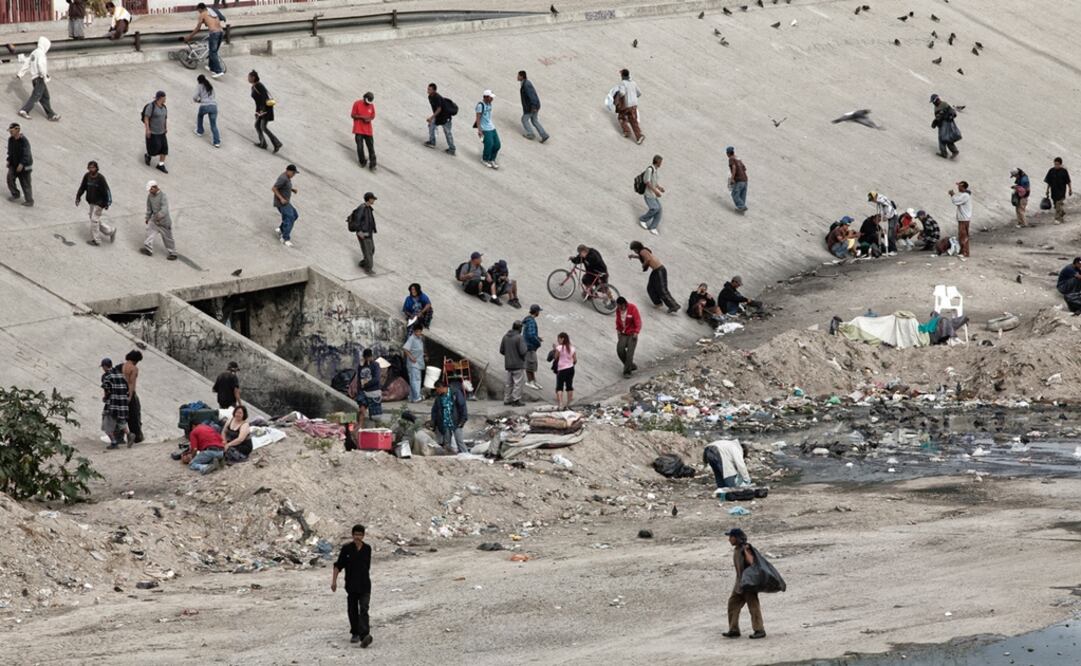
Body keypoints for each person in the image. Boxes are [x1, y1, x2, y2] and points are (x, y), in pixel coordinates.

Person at [331, 524, 374, 648]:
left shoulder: (367, 549)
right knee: (352, 609)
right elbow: (338, 565)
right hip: (351, 584)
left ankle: (364, 635)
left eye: (360, 535)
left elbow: (366, 567)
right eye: (356, 534)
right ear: (352, 535)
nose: (357, 537)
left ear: (363, 536)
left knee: (364, 608)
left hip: (365, 584)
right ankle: (355, 633)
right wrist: (334, 582)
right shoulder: (347, 549)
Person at [722, 528, 767, 640]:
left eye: (731, 537)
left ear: (737, 538)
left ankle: (759, 630)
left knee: (753, 607)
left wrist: (746, 551)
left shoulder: (745, 548)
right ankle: (734, 630)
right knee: (732, 604)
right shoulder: (737, 549)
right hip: (739, 583)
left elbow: (752, 562)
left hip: (748, 584)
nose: (729, 539)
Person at [16, 37, 60, 122]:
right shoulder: (41, 54)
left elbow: (27, 63)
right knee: (36, 96)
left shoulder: (34, 52)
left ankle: (51, 114)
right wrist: (45, 76)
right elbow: (41, 65)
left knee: (45, 97)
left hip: (34, 79)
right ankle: (24, 110)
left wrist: (20, 73)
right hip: (40, 78)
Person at [628, 241, 679, 313]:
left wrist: (644, 265)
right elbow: (644, 257)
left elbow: (648, 259)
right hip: (656, 271)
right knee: (650, 287)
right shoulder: (643, 251)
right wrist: (634, 256)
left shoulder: (642, 251)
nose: (635, 251)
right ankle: (658, 303)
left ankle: (674, 306)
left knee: (662, 289)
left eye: (634, 250)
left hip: (660, 270)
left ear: (637, 248)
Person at [76, 160, 115, 246]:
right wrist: (78, 197)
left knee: (94, 219)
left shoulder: (101, 178)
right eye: (89, 168)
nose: (91, 169)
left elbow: (107, 191)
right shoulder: (87, 176)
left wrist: (107, 203)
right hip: (91, 201)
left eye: (93, 167)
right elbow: (82, 187)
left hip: (100, 202)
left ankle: (96, 240)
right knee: (94, 219)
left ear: (96, 168)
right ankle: (110, 231)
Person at [184, 3, 225, 77]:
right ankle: (211, 67)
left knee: (212, 53)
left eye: (198, 11)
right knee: (213, 51)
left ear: (200, 9)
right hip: (221, 32)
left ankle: (219, 71)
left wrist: (189, 37)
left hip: (214, 33)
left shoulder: (202, 14)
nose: (198, 12)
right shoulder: (212, 11)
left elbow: (198, 28)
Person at [142, 180, 177, 260]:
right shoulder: (150, 196)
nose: (150, 192)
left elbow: (165, 209)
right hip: (154, 221)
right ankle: (148, 249)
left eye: (151, 189)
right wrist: (147, 217)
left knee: (168, 238)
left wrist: (159, 216)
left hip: (164, 222)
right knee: (149, 233)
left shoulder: (163, 196)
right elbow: (149, 208)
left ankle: (173, 253)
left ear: (155, 187)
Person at [431, 379, 468, 454]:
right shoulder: (438, 397)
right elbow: (434, 410)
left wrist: (463, 420)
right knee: (446, 442)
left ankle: (466, 455)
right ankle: (448, 456)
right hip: (445, 423)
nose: (436, 391)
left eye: (437, 389)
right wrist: (433, 422)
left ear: (441, 387)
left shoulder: (455, 393)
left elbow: (462, 407)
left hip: (456, 421)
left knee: (459, 441)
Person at [101, 358, 130, 449]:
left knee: (107, 424)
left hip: (112, 403)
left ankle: (114, 442)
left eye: (102, 367)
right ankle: (129, 435)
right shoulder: (121, 375)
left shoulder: (107, 376)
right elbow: (127, 388)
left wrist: (105, 398)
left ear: (105, 366)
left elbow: (107, 389)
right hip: (122, 404)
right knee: (120, 420)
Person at [249, 70, 282, 152]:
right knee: (257, 125)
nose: (248, 78)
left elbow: (264, 98)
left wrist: (263, 111)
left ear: (253, 78)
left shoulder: (259, 86)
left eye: (249, 77)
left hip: (266, 109)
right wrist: (257, 111)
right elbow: (257, 101)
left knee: (263, 127)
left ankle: (277, 143)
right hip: (261, 110)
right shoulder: (254, 86)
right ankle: (263, 143)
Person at [499, 320, 528, 406]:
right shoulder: (519, 337)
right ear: (519, 328)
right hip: (518, 364)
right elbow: (523, 351)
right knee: (518, 383)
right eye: (521, 328)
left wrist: (509, 354)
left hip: (508, 364)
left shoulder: (505, 337)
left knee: (509, 383)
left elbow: (501, 350)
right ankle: (516, 400)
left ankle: (507, 399)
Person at [142, 91, 169, 174]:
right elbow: (146, 118)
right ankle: (148, 155)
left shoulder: (164, 107)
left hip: (162, 132)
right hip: (153, 132)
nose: (165, 99)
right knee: (154, 149)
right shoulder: (151, 106)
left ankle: (161, 164)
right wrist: (147, 129)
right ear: (160, 98)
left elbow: (165, 118)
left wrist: (165, 127)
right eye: (164, 97)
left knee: (164, 149)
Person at [6, 123, 33, 207]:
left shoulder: (24, 141)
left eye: (12, 131)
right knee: (10, 178)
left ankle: (29, 201)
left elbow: (26, 154)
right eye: (10, 131)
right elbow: (10, 151)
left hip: (25, 166)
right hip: (14, 163)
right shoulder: (11, 139)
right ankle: (15, 194)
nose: (10, 132)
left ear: (17, 130)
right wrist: (9, 160)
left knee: (25, 183)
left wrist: (22, 164)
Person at [517, 70, 549, 143]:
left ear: (522, 76)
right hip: (534, 105)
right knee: (534, 120)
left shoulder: (526, 84)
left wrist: (534, 106)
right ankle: (544, 135)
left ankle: (530, 134)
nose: (517, 77)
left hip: (531, 106)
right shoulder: (525, 83)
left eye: (518, 76)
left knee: (524, 119)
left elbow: (532, 95)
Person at [425, 83, 456, 155]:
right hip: (438, 117)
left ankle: (452, 149)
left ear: (434, 90)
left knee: (447, 133)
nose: (428, 91)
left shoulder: (437, 97)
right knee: (431, 126)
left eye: (430, 89)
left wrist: (431, 117)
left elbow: (439, 109)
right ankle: (432, 142)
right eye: (428, 89)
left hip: (445, 118)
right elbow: (435, 108)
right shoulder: (430, 97)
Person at [350, 191, 377, 273]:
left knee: (371, 249)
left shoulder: (369, 208)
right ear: (369, 199)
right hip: (363, 233)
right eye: (373, 199)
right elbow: (357, 221)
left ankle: (363, 263)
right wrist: (359, 232)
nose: (374, 200)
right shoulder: (362, 208)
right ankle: (368, 268)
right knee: (367, 251)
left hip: (369, 233)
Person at [614, 68, 643, 144]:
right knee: (633, 121)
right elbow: (639, 93)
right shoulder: (633, 83)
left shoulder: (623, 83)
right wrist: (633, 97)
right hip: (634, 105)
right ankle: (639, 136)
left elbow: (622, 93)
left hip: (627, 105)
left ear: (623, 76)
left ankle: (627, 131)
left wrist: (618, 96)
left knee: (621, 118)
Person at [272, 164, 299, 247]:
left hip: (286, 202)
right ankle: (285, 238)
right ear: (288, 171)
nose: (294, 175)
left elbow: (284, 186)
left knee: (295, 215)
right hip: (282, 203)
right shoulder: (283, 178)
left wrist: (292, 189)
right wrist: (281, 199)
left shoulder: (287, 177)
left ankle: (281, 229)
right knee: (290, 218)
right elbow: (274, 188)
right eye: (293, 173)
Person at [355, 349, 383, 428]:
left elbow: (376, 379)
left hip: (373, 391)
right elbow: (359, 379)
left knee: (375, 416)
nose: (367, 359)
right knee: (362, 410)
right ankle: (359, 427)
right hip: (363, 391)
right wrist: (359, 390)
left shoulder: (375, 365)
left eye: (368, 357)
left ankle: (376, 429)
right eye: (366, 358)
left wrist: (366, 384)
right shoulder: (361, 366)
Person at [638, 154, 665, 234]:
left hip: (652, 194)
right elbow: (647, 182)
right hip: (648, 194)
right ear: (657, 162)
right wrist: (656, 191)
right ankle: (642, 219)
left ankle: (653, 227)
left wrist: (659, 188)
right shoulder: (650, 170)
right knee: (655, 208)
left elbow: (654, 182)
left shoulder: (655, 170)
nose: (661, 164)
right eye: (660, 162)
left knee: (659, 209)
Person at [615, 297, 641, 378]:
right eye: (618, 306)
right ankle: (631, 365)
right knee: (620, 350)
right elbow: (618, 321)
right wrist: (618, 331)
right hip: (623, 333)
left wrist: (636, 332)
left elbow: (638, 321)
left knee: (630, 353)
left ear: (624, 304)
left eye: (621, 306)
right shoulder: (618, 310)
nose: (620, 308)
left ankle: (627, 372)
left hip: (632, 334)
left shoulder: (632, 308)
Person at [192, 75, 221, 148]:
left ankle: (200, 131)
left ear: (199, 80)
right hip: (214, 106)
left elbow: (195, 97)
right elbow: (214, 96)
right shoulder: (210, 86)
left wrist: (198, 100)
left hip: (205, 105)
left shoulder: (200, 86)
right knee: (213, 125)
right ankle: (217, 142)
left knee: (200, 116)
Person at [475, 90, 501, 169]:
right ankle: (485, 159)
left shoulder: (489, 104)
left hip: (491, 127)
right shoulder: (480, 106)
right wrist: (479, 130)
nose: (492, 99)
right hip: (485, 129)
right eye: (490, 97)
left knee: (497, 145)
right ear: (486, 97)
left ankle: (492, 159)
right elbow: (478, 118)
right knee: (489, 144)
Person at [122, 350, 144, 444]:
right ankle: (136, 437)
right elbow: (131, 383)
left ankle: (121, 436)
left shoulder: (123, 366)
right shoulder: (133, 368)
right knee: (134, 416)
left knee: (123, 416)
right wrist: (130, 396)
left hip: (121, 392)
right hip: (129, 393)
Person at [350, 92, 376, 170]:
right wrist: (362, 117)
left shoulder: (371, 105)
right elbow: (352, 115)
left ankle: (373, 164)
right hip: (358, 129)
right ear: (364, 98)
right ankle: (362, 161)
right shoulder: (357, 103)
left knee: (371, 147)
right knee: (360, 147)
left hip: (368, 130)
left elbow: (373, 115)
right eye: (368, 101)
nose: (369, 103)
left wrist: (369, 119)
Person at [930, 93, 961, 159]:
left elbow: (952, 112)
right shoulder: (936, 107)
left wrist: (950, 116)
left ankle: (949, 152)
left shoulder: (944, 104)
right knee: (944, 138)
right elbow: (938, 116)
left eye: (934, 101)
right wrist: (935, 122)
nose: (933, 103)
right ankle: (950, 152)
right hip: (941, 124)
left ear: (937, 100)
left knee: (944, 138)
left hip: (946, 123)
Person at [551, 332, 577, 409]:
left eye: (558, 339)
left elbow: (555, 357)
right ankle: (569, 404)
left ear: (562, 339)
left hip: (561, 369)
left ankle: (560, 404)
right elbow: (575, 360)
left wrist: (554, 349)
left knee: (559, 387)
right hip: (571, 369)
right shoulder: (572, 348)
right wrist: (570, 364)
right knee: (569, 386)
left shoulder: (559, 348)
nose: (558, 340)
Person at [1044, 157, 1072, 224]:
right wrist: (1047, 190)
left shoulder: (1064, 171)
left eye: (1057, 164)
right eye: (1055, 164)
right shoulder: (1051, 171)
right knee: (1056, 205)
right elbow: (1049, 182)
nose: (1056, 166)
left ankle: (1057, 219)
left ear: (1060, 164)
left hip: (1061, 191)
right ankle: (1062, 213)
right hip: (1053, 191)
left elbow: (1068, 181)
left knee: (1058, 204)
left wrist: (1070, 189)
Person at [402, 322, 425, 403]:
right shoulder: (411, 338)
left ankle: (412, 397)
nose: (418, 333)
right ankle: (416, 397)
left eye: (420, 331)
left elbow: (419, 349)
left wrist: (424, 355)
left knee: (414, 379)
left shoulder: (420, 338)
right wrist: (411, 357)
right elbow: (405, 349)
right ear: (414, 331)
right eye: (417, 331)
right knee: (415, 380)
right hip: (413, 363)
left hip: (418, 362)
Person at [522, 305, 543, 390]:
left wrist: (538, 338)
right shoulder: (531, 322)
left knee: (532, 364)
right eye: (539, 311)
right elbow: (531, 335)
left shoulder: (528, 319)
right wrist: (537, 342)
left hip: (528, 345)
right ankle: (530, 381)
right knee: (530, 364)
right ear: (536, 312)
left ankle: (533, 380)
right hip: (529, 346)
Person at [949, 181, 972, 257]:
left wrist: (952, 195)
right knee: (962, 235)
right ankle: (962, 251)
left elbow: (956, 201)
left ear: (963, 187)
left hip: (964, 219)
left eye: (959, 186)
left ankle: (965, 252)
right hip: (963, 218)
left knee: (963, 235)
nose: (958, 187)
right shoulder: (964, 195)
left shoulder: (965, 195)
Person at [726, 146, 748, 212]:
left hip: (739, 180)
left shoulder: (731, 159)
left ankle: (742, 206)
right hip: (745, 180)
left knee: (734, 194)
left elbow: (734, 167)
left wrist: (732, 178)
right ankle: (741, 210)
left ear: (728, 153)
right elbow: (744, 168)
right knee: (742, 195)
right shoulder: (738, 158)